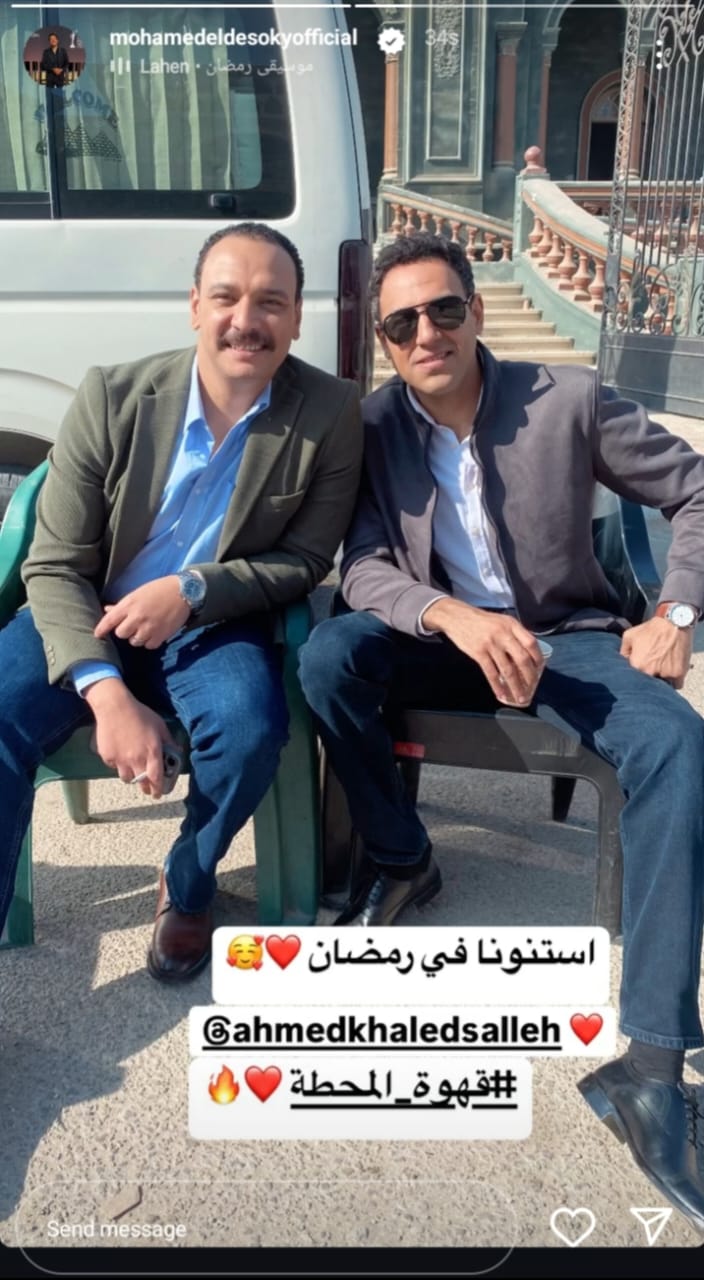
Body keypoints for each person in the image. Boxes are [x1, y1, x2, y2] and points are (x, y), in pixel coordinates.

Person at [298, 232, 704, 1230]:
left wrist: (675, 613)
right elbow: (362, 566)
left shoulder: (567, 400)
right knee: (329, 658)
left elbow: (695, 487)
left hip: (567, 641)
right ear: (385, 342)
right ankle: (404, 857)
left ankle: (651, 1065)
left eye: (443, 310)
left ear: (475, 311)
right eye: (401, 323)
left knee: (676, 745)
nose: (425, 334)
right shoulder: (372, 426)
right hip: (443, 640)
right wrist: (451, 615)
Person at [0, 221, 362, 982]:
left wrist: (192, 590)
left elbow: (304, 560)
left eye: (271, 302)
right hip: (92, 609)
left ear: (297, 317)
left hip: (212, 624)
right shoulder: (113, 395)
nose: (246, 320)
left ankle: (189, 882)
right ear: (195, 305)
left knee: (251, 730)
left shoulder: (330, 412)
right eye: (226, 297)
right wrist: (108, 696)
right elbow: (55, 564)